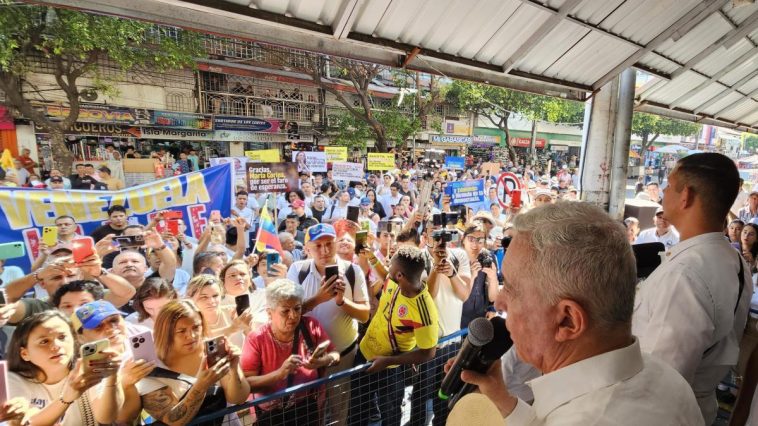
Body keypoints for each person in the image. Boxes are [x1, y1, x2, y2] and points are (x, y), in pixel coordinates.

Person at [453, 201, 703, 425]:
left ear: (567, 321)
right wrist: (503, 399)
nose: (499, 303)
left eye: (511, 288)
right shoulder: (665, 378)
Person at [633, 153, 752, 424]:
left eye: (668, 185)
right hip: (697, 409)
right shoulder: (732, 259)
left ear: (685, 195)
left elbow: (660, 381)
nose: (663, 191)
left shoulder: (685, 274)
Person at [288, 223, 369, 425]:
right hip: (307, 359)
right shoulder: (297, 271)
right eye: (318, 246)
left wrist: (342, 301)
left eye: (329, 244)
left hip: (342, 356)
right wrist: (319, 298)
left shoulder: (353, 271)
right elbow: (289, 314)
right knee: (310, 412)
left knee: (338, 411)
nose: (324, 251)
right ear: (307, 248)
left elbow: (365, 315)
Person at [348, 246, 439, 426]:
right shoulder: (393, 280)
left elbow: (428, 353)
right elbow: (385, 275)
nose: (387, 269)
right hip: (363, 355)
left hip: (390, 369)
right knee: (357, 412)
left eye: (391, 266)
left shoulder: (423, 311)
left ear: (400, 276)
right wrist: (372, 258)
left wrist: (387, 361)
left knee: (390, 417)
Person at [241, 279, 339, 425]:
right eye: (285, 311)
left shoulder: (311, 325)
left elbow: (335, 355)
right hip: (271, 415)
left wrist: (322, 361)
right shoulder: (256, 339)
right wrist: (280, 373)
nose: (293, 316)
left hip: (307, 408)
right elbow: (247, 383)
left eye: (297, 308)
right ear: (270, 313)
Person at [137, 300, 250, 425]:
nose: (191, 336)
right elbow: (172, 419)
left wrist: (234, 370)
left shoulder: (212, 350)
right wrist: (202, 385)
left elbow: (239, 398)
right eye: (181, 331)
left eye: (196, 327)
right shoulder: (151, 367)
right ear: (165, 332)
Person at [7, 311, 123, 426]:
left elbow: (106, 418)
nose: (56, 345)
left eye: (62, 337)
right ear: (24, 354)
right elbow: (28, 423)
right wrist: (66, 398)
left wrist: (112, 377)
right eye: (44, 341)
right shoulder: (12, 380)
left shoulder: (88, 369)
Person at [185, 274, 253, 348]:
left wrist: (248, 328)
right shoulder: (188, 321)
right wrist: (232, 328)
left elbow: (254, 340)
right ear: (190, 298)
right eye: (204, 297)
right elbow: (200, 343)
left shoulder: (234, 312)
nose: (211, 301)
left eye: (215, 296)